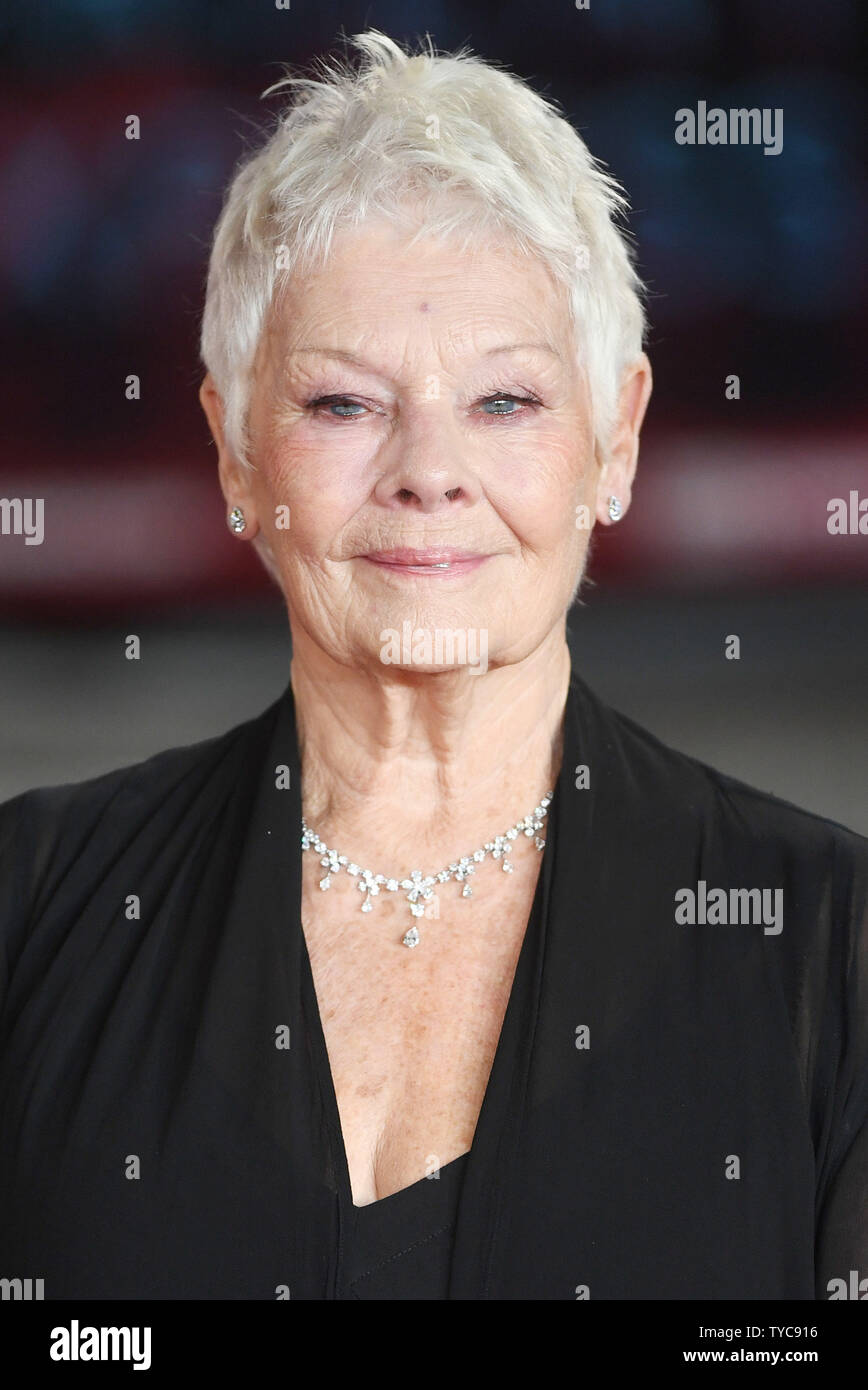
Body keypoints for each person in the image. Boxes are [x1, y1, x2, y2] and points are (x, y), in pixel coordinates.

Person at [0, 29, 865, 1301]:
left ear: (612, 442)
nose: (428, 470)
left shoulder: (832, 948)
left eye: (505, 401)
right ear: (235, 453)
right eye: (343, 403)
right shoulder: (30, 909)